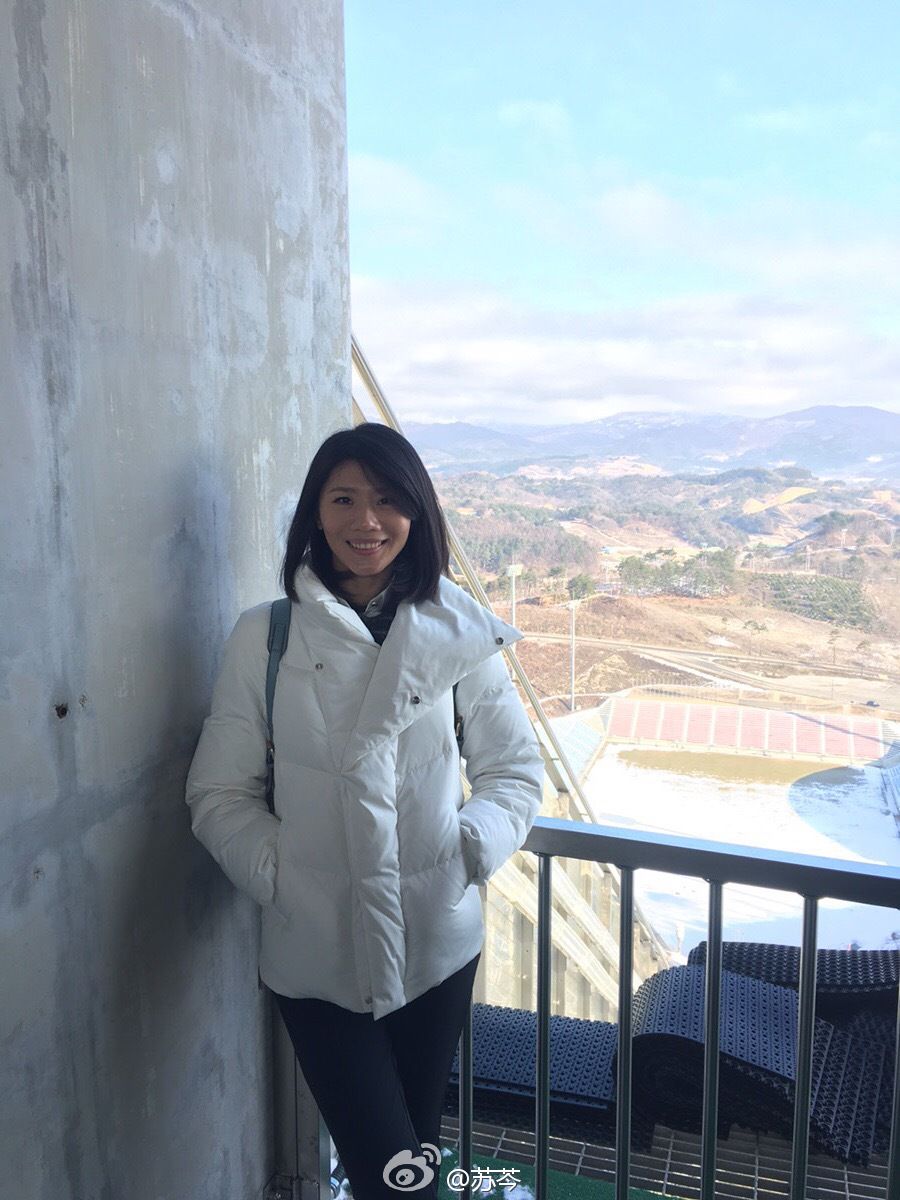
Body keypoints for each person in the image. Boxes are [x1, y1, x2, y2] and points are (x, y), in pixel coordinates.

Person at [185, 423, 544, 1200]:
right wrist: (283, 876)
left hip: (436, 943)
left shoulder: (456, 631)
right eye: (343, 499)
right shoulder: (266, 636)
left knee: (414, 1157)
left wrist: (466, 851)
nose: (367, 521)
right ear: (316, 513)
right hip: (316, 954)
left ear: (417, 512)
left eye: (387, 499)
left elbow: (514, 771)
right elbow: (219, 793)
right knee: (391, 1173)